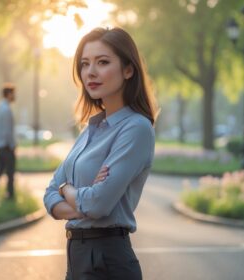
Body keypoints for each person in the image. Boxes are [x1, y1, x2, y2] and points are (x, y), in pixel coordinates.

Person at [43, 27, 157, 280]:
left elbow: (97, 202)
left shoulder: (136, 128)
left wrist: (68, 191)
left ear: (128, 70)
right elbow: (49, 195)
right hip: (77, 256)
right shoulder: (90, 129)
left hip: (107, 260)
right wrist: (81, 203)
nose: (90, 72)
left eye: (102, 62)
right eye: (85, 64)